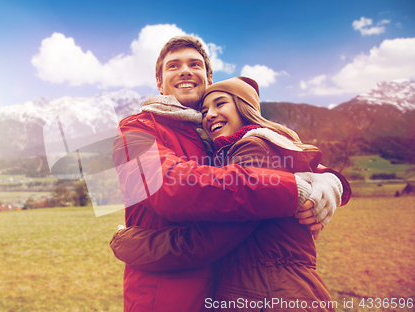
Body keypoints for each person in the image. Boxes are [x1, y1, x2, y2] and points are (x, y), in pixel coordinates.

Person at [112, 35, 351, 311]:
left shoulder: (218, 138)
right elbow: (171, 188)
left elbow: (281, 155)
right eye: (173, 66)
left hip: (221, 293)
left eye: (195, 64)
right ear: (159, 82)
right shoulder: (138, 129)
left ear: (208, 79)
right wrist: (291, 189)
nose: (186, 70)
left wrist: (331, 180)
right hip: (166, 297)